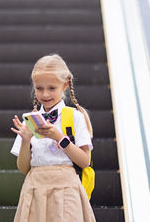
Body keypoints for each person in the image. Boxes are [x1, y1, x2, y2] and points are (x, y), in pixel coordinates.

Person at [10, 54, 96, 222]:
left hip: (66, 189)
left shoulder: (74, 117)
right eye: (39, 88)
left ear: (64, 85)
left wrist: (60, 138)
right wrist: (25, 140)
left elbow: (85, 161)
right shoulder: (30, 120)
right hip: (35, 188)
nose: (45, 94)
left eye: (51, 88)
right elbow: (23, 168)